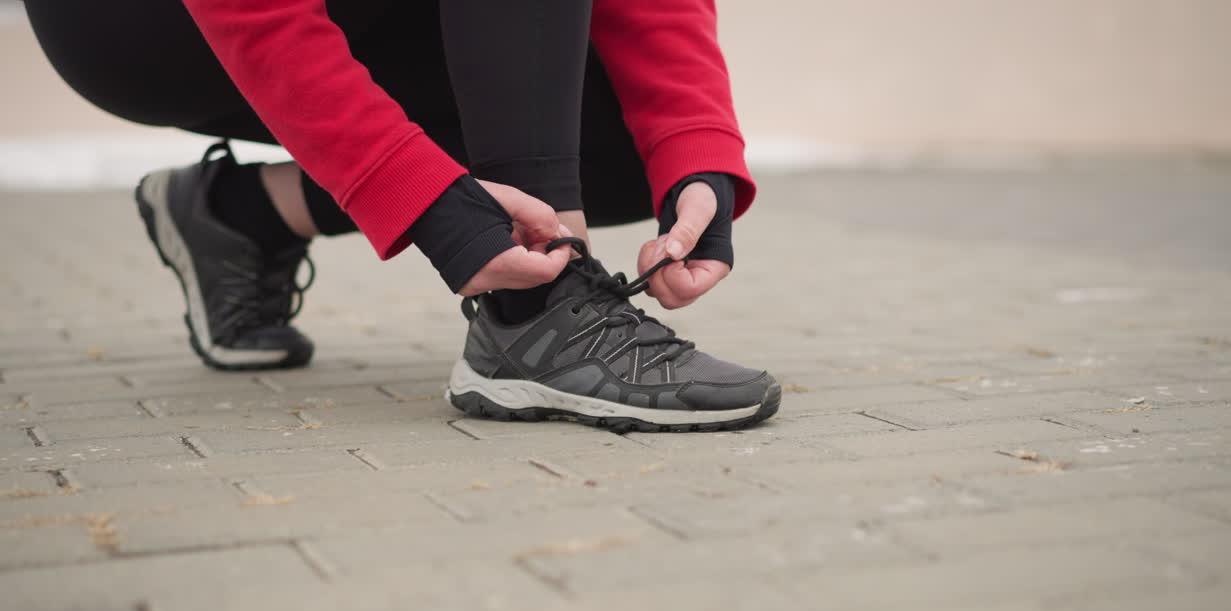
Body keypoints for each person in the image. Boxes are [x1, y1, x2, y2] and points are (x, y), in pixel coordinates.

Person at [25, 0, 781, 431]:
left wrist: (694, 148)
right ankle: (537, 315)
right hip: (141, 24)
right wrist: (425, 207)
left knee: (615, 136)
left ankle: (241, 214)